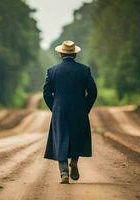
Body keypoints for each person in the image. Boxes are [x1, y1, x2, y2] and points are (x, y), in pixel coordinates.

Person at [43, 40, 97, 184]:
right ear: (75, 54)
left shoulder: (52, 71)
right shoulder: (84, 70)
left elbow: (46, 93)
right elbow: (93, 92)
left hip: (60, 110)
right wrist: (86, 107)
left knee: (60, 139)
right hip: (79, 110)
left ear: (61, 53)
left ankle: (64, 173)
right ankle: (74, 161)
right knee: (76, 137)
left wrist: (54, 107)